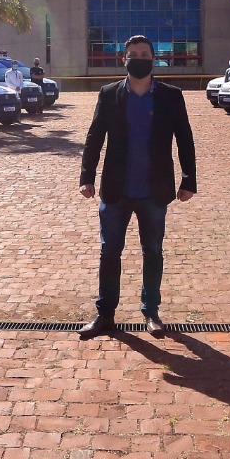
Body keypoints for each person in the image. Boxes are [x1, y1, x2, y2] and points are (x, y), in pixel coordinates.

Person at [79, 35, 197, 340]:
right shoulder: (109, 94)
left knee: (153, 251)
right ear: (124, 59)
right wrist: (86, 177)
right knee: (109, 252)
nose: (139, 59)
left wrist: (189, 180)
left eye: (145, 54)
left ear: (154, 59)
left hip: (154, 191)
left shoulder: (171, 96)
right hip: (115, 190)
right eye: (133, 54)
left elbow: (184, 139)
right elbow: (94, 137)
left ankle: (151, 312)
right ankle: (105, 314)